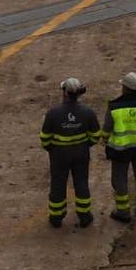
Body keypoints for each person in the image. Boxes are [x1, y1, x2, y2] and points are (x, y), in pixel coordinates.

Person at [39, 77, 100, 228]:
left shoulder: (53, 113)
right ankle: (84, 216)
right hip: (81, 153)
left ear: (65, 93)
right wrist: (84, 146)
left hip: (59, 155)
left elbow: (45, 139)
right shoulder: (88, 112)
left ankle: (56, 217)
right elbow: (95, 136)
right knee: (81, 183)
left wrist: (52, 149)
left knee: (58, 185)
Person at [105, 71, 136, 223]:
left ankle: (123, 212)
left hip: (120, 151)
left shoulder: (114, 107)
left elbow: (106, 129)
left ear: (125, 88)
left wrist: (104, 141)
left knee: (119, 180)